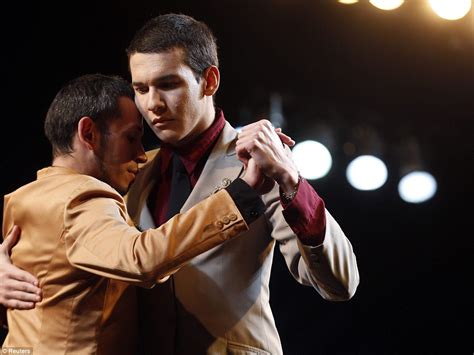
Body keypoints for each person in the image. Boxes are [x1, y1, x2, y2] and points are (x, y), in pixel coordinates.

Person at [1, 13, 360, 355]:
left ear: (210, 81)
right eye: (140, 88)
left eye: (168, 84)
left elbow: (340, 284)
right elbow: (54, 239)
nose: (152, 104)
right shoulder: (127, 169)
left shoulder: (261, 165)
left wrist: (291, 180)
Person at [1, 73, 272, 354]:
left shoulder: (21, 198)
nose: (142, 155)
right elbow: (141, 259)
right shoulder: (83, 197)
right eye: (131, 137)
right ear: (89, 134)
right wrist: (240, 195)